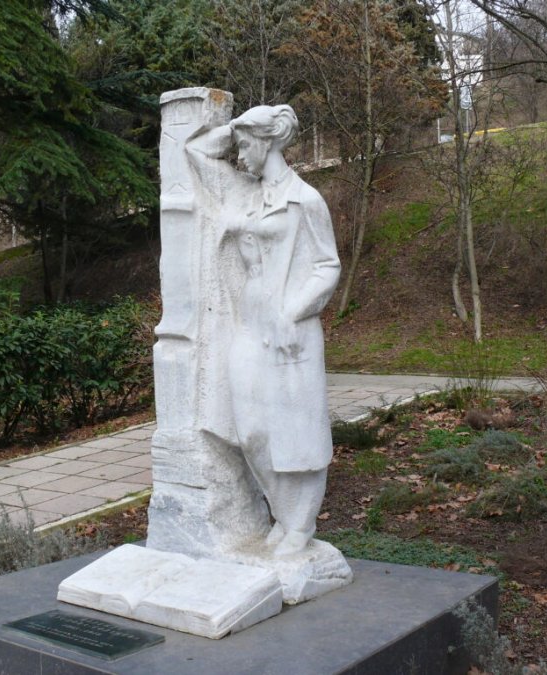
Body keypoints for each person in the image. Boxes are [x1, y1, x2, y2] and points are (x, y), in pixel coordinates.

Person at [188, 104, 341, 557]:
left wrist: (293, 312)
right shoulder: (243, 193)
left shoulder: (305, 200)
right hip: (249, 324)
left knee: (297, 432)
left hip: (290, 329)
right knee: (251, 429)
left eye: (245, 147)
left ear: (267, 142)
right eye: (237, 148)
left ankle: (299, 524)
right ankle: (283, 513)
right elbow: (196, 153)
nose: (238, 157)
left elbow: (327, 266)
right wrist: (236, 128)